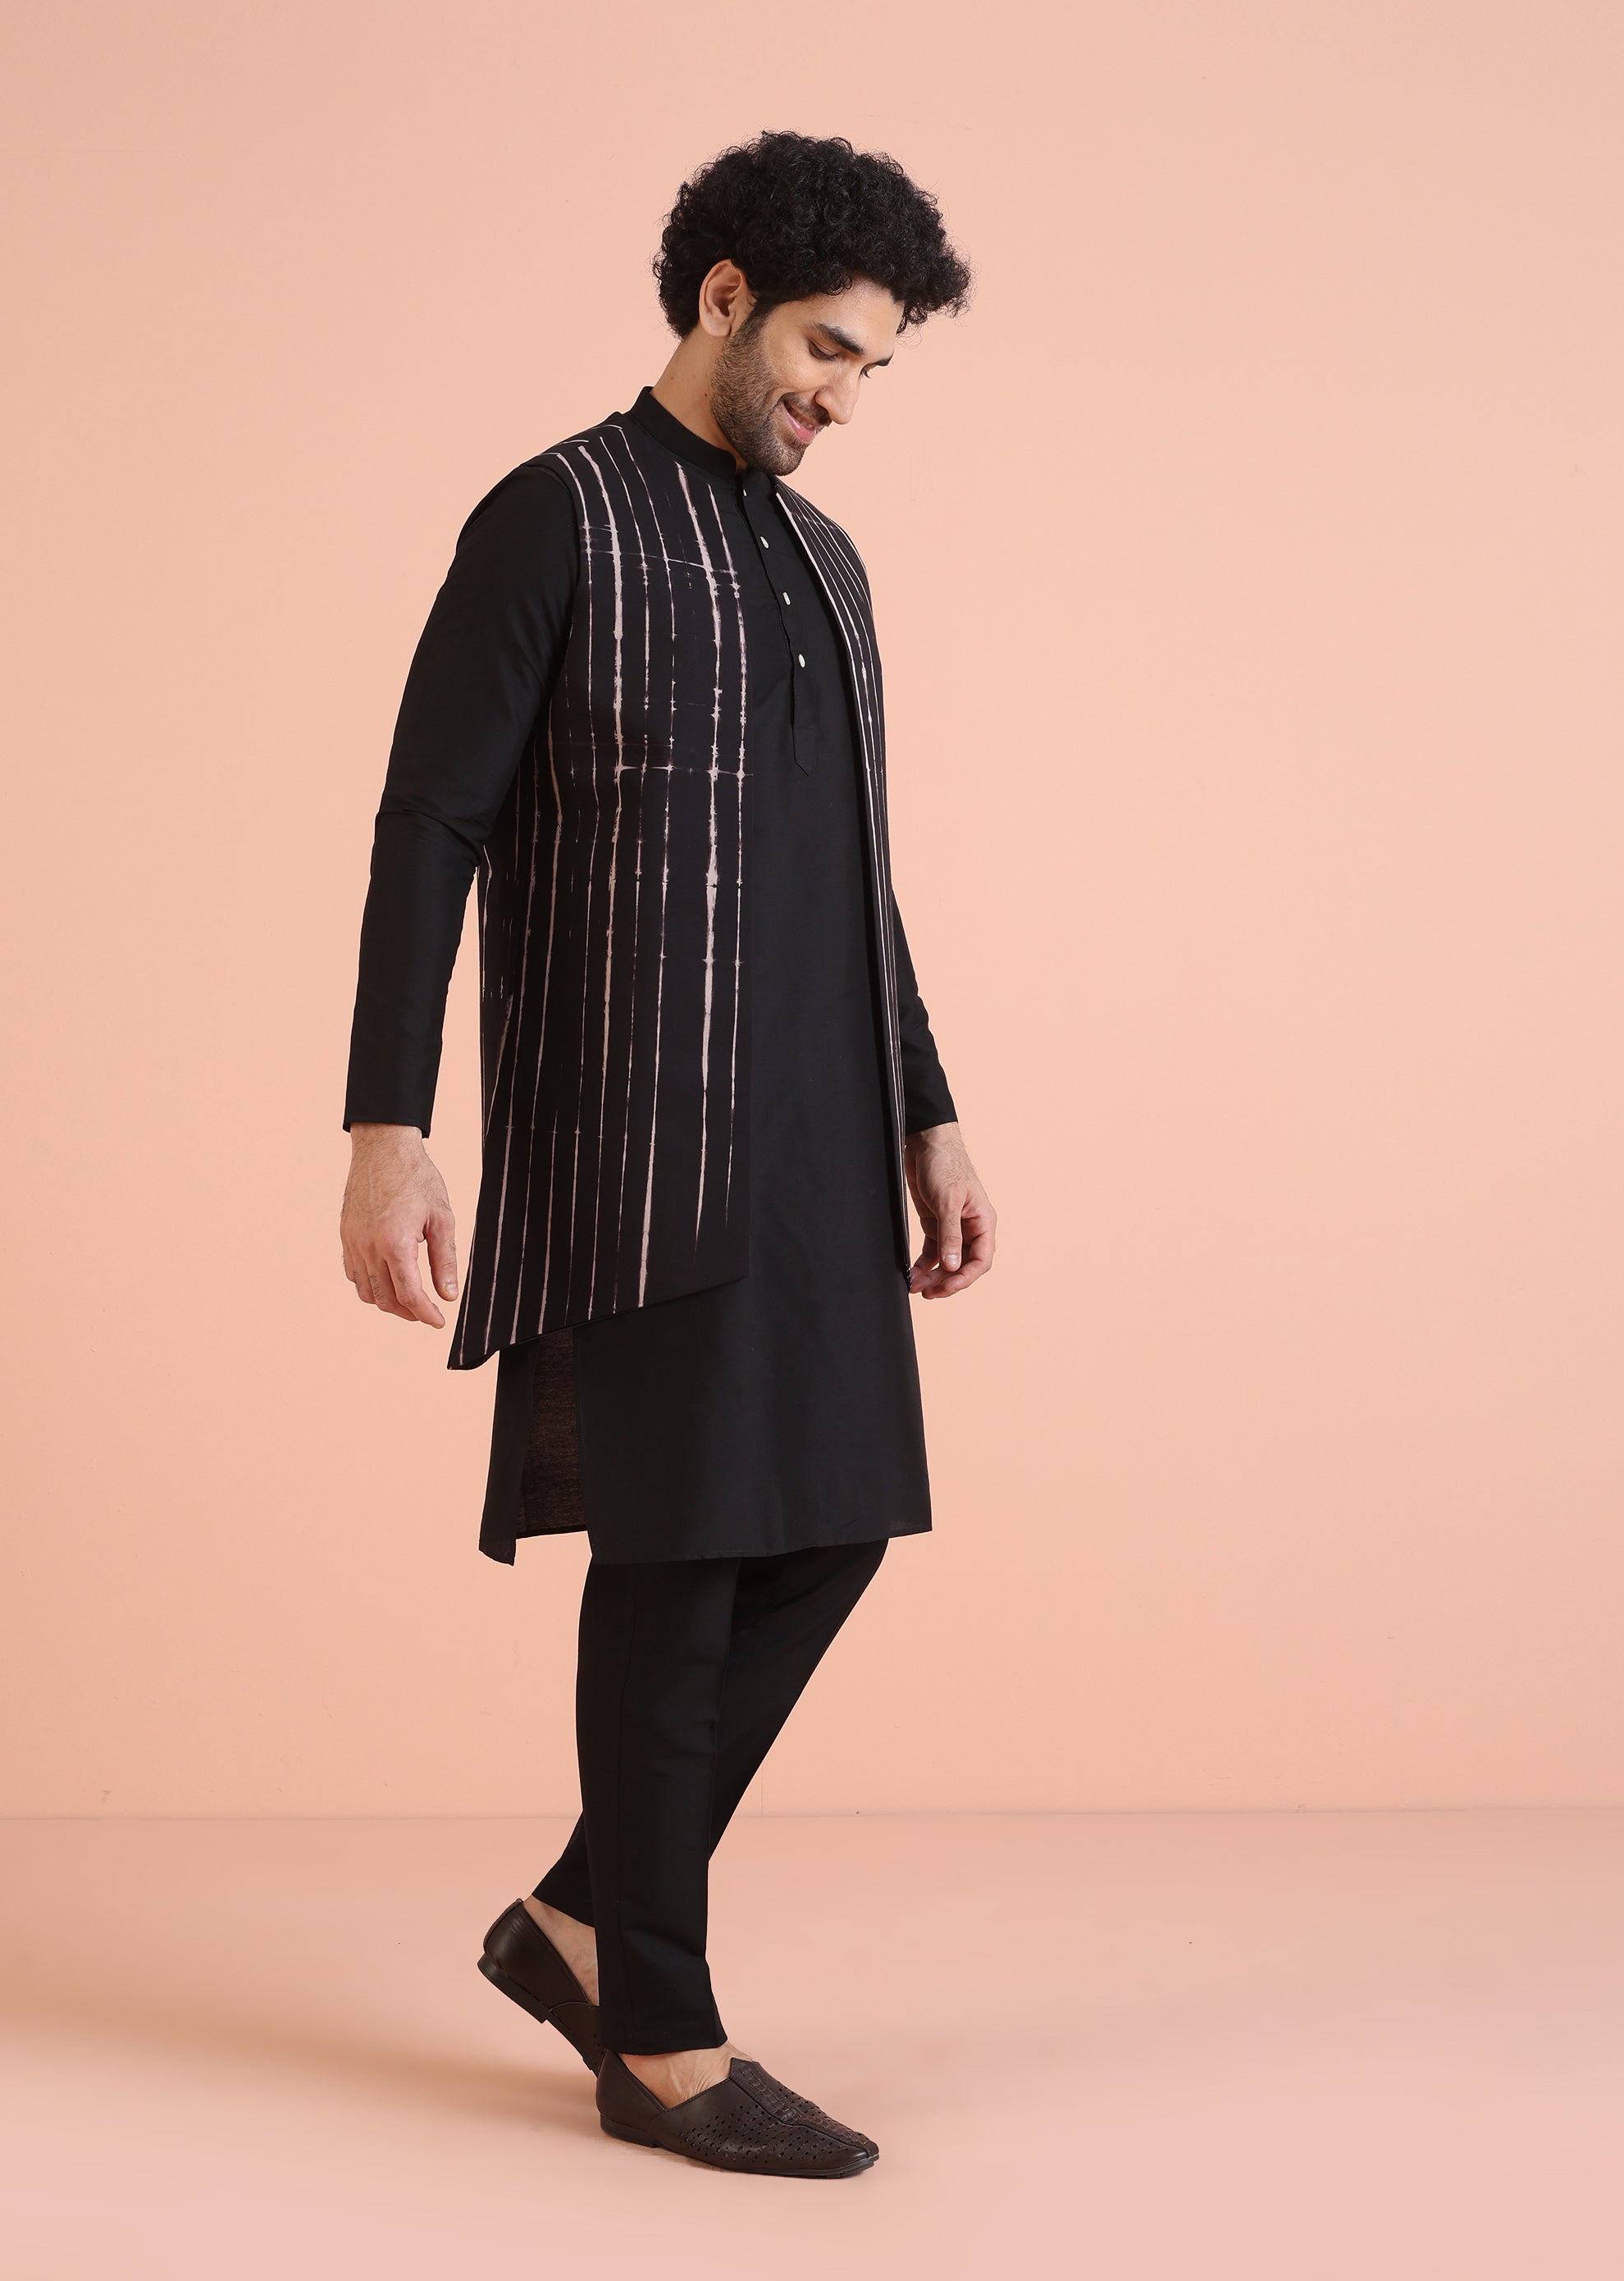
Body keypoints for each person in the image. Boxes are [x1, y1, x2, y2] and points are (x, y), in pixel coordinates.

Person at [340, 131, 995, 2178]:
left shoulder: (828, 566)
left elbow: (857, 871)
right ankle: (665, 2036)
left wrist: (929, 1106)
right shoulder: (551, 518)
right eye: (827, 349)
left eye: (875, 367)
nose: (845, 397)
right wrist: (387, 1128)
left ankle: (578, 1923)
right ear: (723, 297)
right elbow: (427, 823)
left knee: (832, 1525)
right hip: (635, 1128)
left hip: (820, 1138)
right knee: (681, 1553)